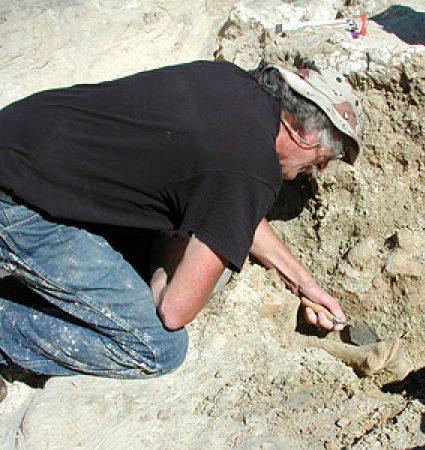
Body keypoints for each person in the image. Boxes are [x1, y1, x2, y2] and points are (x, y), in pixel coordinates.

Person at [0, 59, 363, 400]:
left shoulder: (229, 82)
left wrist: (303, 282)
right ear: (302, 132)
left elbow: (234, 209)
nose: (321, 170)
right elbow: (174, 310)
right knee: (157, 348)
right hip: (16, 201)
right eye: (324, 159)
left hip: (22, 140)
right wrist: (165, 259)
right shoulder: (251, 170)